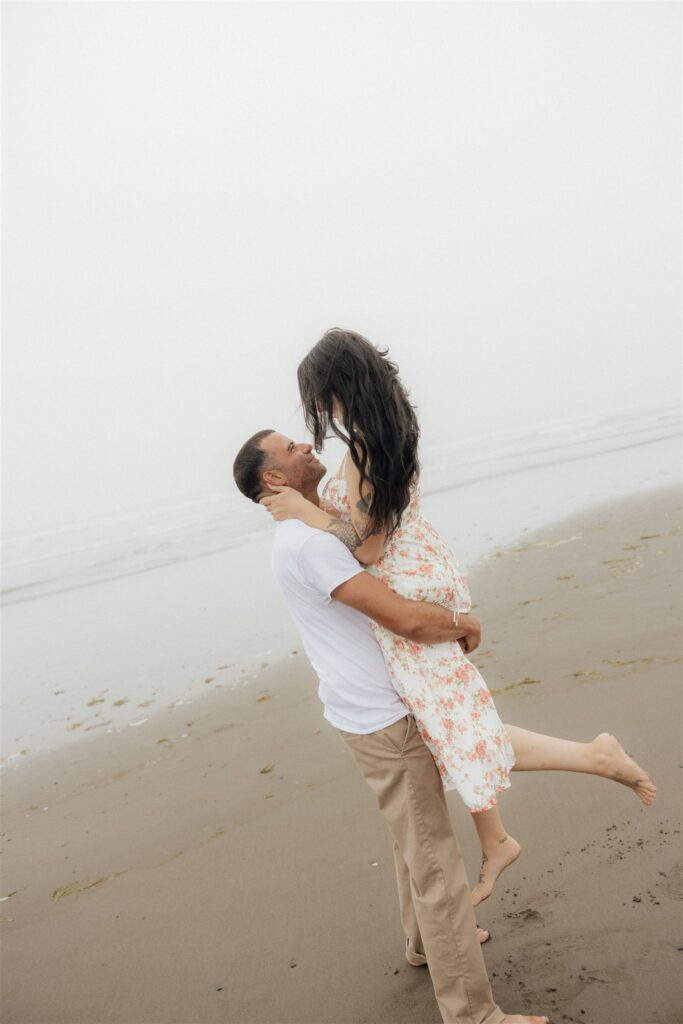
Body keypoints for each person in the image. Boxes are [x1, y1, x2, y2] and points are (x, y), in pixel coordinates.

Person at [260, 328, 656, 908]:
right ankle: (549, 793)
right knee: (447, 715)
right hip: (421, 570)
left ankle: (548, 797)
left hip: (407, 582)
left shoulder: (369, 448)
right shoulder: (386, 433)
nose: (320, 410)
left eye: (320, 395)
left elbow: (367, 549)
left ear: (338, 384)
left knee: (448, 715)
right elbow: (374, 530)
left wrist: (304, 511)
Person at [233, 429, 550, 1024]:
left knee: (415, 842)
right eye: (291, 448)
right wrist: (462, 622)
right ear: (272, 478)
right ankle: (474, 1015)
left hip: (367, 711)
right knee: (437, 866)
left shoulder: (306, 532)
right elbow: (402, 616)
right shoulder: (309, 545)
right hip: (385, 718)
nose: (307, 445)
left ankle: (426, 944)